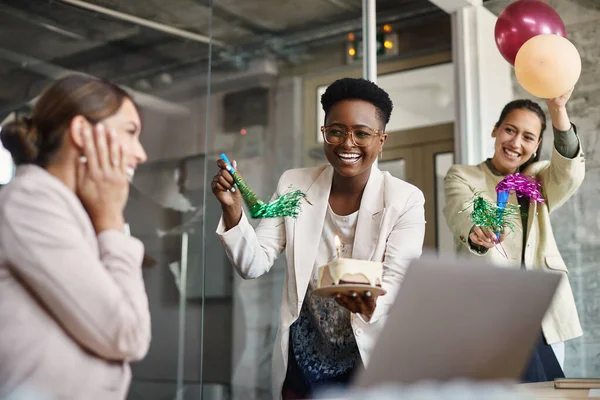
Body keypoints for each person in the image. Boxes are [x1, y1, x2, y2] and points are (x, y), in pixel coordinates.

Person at [212, 78, 426, 399]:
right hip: (301, 366)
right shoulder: (295, 185)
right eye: (336, 130)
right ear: (324, 132)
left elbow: (398, 281)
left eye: (362, 133)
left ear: (381, 141)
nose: (347, 143)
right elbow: (253, 263)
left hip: (366, 363)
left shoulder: (404, 199)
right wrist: (232, 211)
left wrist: (370, 302)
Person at [0, 75, 151, 399]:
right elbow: (127, 334)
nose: (140, 154)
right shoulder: (31, 200)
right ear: (83, 131)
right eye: (130, 132)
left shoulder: (67, 210)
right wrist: (111, 219)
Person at [443, 89, 584, 382]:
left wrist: (557, 108)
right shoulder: (463, 175)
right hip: (491, 315)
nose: (516, 142)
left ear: (537, 145)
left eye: (528, 137)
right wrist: (479, 229)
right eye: (510, 130)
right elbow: (464, 208)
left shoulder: (540, 180)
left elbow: (569, 171)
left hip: (542, 313)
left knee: (548, 391)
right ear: (496, 130)